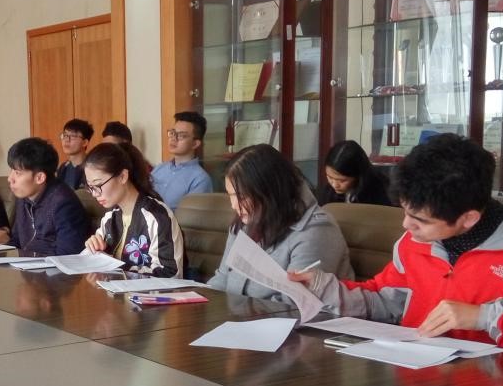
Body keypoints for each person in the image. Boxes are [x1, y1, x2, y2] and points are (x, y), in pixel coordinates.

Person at [297, 135, 503, 361]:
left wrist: (487, 317)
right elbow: (385, 300)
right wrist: (324, 289)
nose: (406, 226)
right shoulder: (414, 243)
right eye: (405, 212)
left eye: (419, 219)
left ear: (469, 218)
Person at [209, 143, 352, 299]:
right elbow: (222, 278)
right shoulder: (244, 222)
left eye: (242, 197)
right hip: (238, 312)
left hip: (286, 314)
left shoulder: (316, 231)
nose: (234, 205)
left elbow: (294, 303)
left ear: (270, 192)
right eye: (231, 195)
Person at [83, 143, 184, 277]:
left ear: (123, 176)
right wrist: (93, 250)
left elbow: (170, 274)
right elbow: (91, 260)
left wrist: (116, 269)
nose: (95, 194)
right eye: (90, 187)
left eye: (98, 185)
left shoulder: (157, 216)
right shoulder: (109, 218)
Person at [6, 137, 89, 257]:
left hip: (54, 267)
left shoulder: (63, 203)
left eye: (18, 173)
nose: (10, 179)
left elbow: (68, 255)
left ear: (40, 177)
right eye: (11, 171)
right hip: (28, 265)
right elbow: (16, 241)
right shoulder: (24, 197)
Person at [152, 111, 214, 211]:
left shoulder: (200, 179)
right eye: (172, 133)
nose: (173, 139)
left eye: (181, 135)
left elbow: (191, 216)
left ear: (195, 143)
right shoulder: (159, 169)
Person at [315, 140, 392, 206]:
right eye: (330, 177)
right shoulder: (327, 192)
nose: (335, 185)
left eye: (342, 180)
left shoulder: (380, 191)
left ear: (358, 175)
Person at [55, 118, 93, 190]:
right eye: (65, 135)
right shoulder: (63, 167)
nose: (66, 140)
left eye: (73, 136)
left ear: (85, 142)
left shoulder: (92, 167)